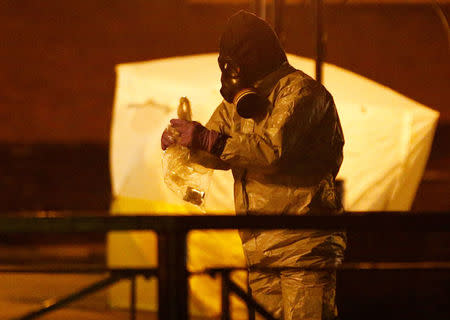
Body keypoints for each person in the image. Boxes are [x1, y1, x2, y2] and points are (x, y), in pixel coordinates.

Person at [161, 10, 346, 320]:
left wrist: (208, 140)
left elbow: (273, 152)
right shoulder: (238, 101)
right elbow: (218, 149)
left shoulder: (301, 92)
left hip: (303, 244)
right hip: (260, 246)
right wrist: (185, 144)